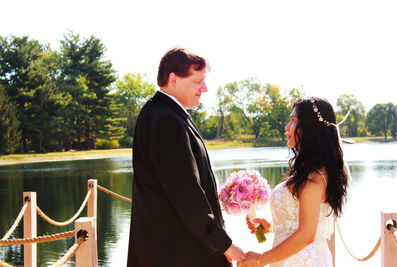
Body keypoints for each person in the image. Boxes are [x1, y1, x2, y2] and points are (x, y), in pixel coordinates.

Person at [127, 47, 245, 267]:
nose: (205, 88)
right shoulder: (166, 121)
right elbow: (186, 193)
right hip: (178, 254)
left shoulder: (160, 112)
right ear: (174, 79)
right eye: (198, 81)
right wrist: (224, 245)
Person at [238, 97, 348, 267]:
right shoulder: (306, 171)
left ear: (310, 128)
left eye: (293, 121)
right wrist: (270, 227)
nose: (287, 127)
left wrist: (260, 260)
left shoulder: (316, 178)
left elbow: (306, 235)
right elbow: (300, 223)